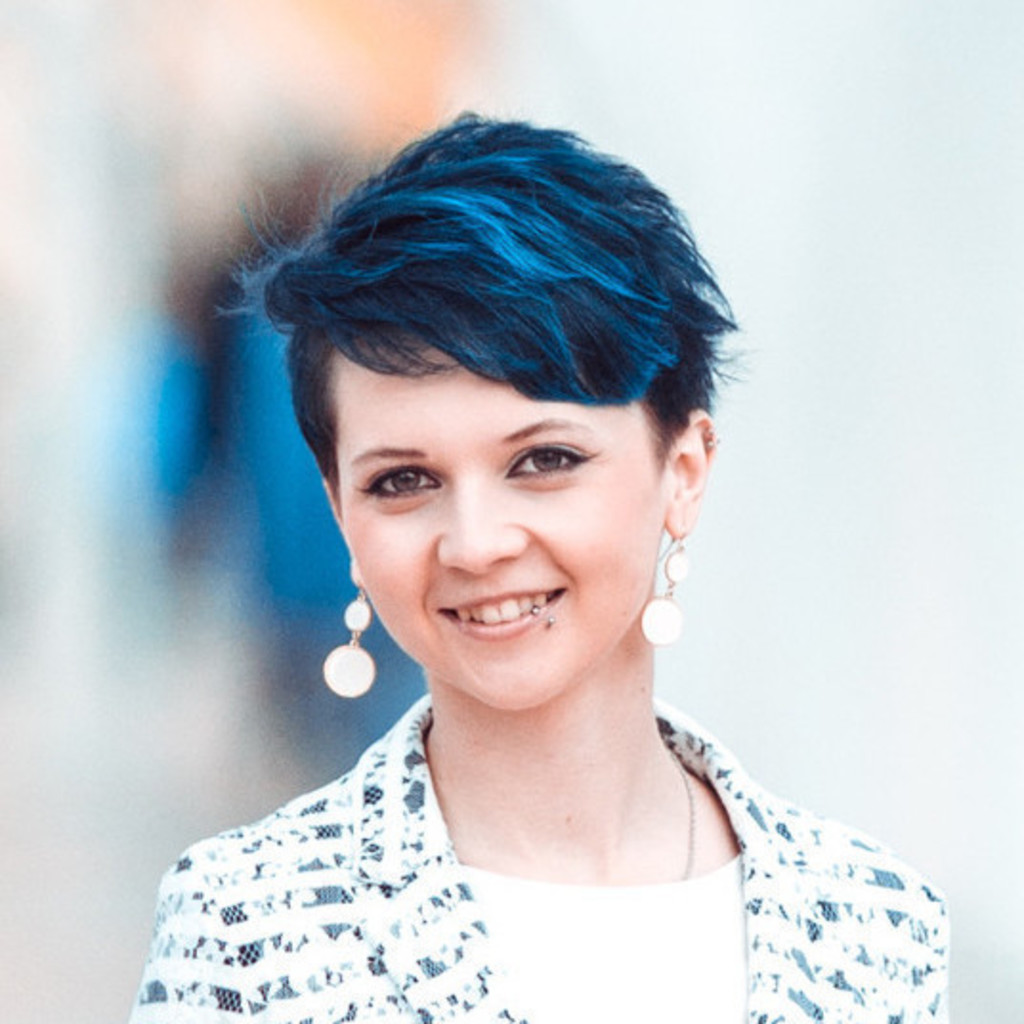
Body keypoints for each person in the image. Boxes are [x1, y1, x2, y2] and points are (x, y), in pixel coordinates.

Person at [129, 115, 949, 1023]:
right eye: (404, 481)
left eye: (544, 460)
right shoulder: (246, 930)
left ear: (683, 472)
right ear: (341, 511)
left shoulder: (879, 927)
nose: (476, 543)